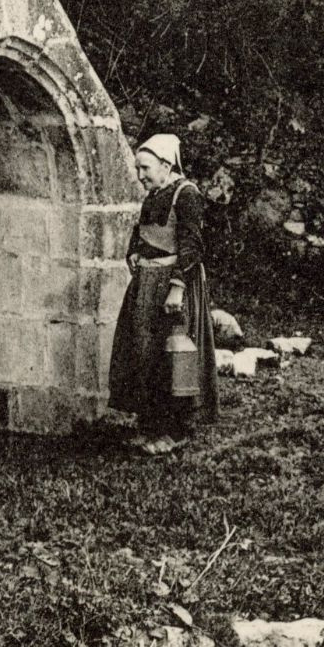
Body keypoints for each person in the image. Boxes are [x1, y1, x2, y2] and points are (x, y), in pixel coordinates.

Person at [107, 133, 219, 455]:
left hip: (173, 288)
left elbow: (192, 246)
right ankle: (150, 426)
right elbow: (141, 234)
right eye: (138, 169)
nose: (140, 176)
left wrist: (177, 289)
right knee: (143, 355)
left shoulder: (187, 195)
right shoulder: (153, 195)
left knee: (173, 358)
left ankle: (176, 431)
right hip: (146, 284)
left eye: (145, 168)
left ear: (167, 165)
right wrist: (133, 253)